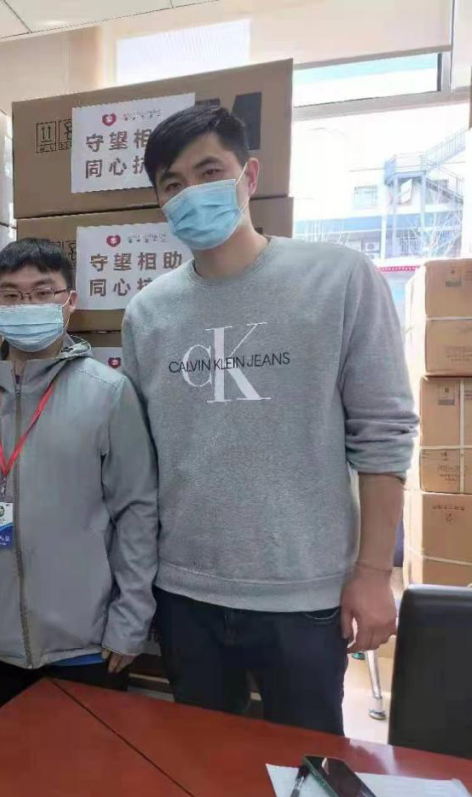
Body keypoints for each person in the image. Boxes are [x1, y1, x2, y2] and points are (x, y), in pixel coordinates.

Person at [122, 105, 418, 734]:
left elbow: (384, 435)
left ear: (249, 176)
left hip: (304, 595)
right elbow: (143, 461)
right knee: (200, 764)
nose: (191, 193)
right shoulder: (148, 313)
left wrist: (373, 574)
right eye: (173, 184)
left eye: (209, 172)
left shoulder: (338, 279)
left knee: (307, 765)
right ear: (161, 203)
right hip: (186, 594)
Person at [0, 238, 159, 720]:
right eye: (11, 295)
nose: (25, 305)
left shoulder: (107, 393)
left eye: (41, 292)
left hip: (88, 642)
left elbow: (137, 511)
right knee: (6, 763)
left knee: (86, 764)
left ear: (69, 301)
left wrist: (130, 621)